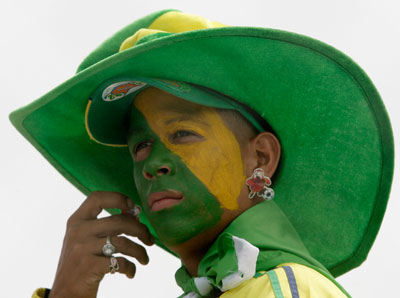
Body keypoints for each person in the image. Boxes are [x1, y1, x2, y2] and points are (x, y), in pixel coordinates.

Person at [9, 10, 394, 298]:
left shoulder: (283, 289)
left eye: (182, 132)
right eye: (140, 146)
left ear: (260, 158)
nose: (150, 165)